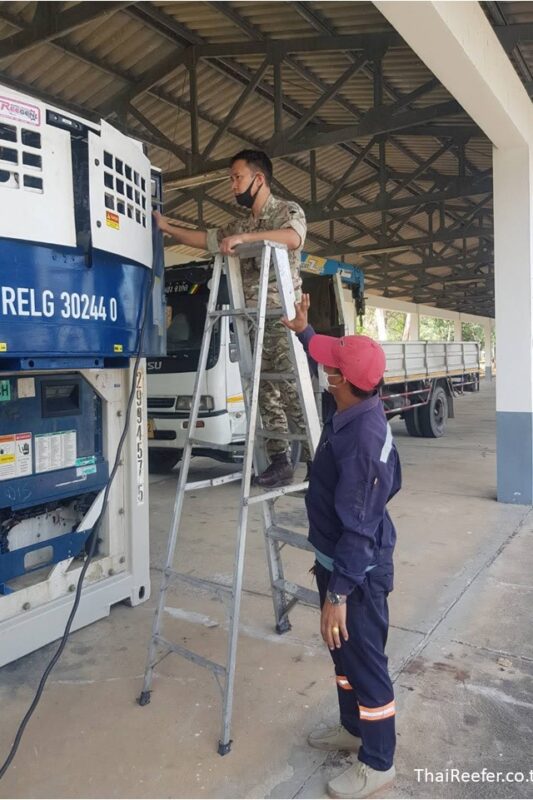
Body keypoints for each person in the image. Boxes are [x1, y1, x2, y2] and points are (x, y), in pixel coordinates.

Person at [282, 295, 401, 800]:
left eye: (331, 367)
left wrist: (339, 594)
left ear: (340, 383)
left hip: (359, 573)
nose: (326, 369)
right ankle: (352, 729)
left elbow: (358, 530)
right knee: (343, 656)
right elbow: (328, 354)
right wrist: (305, 332)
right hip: (338, 564)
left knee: (366, 660)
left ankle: (378, 761)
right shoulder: (359, 404)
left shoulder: (362, 442)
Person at [154, 149, 308, 487]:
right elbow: (208, 239)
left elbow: (293, 238)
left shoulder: (287, 211)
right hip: (250, 319)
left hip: (282, 317)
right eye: (231, 179)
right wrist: (168, 228)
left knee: (290, 389)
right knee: (262, 392)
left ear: (259, 179)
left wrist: (246, 239)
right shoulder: (238, 224)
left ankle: (316, 457)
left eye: (237, 178)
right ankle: (280, 460)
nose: (232, 185)